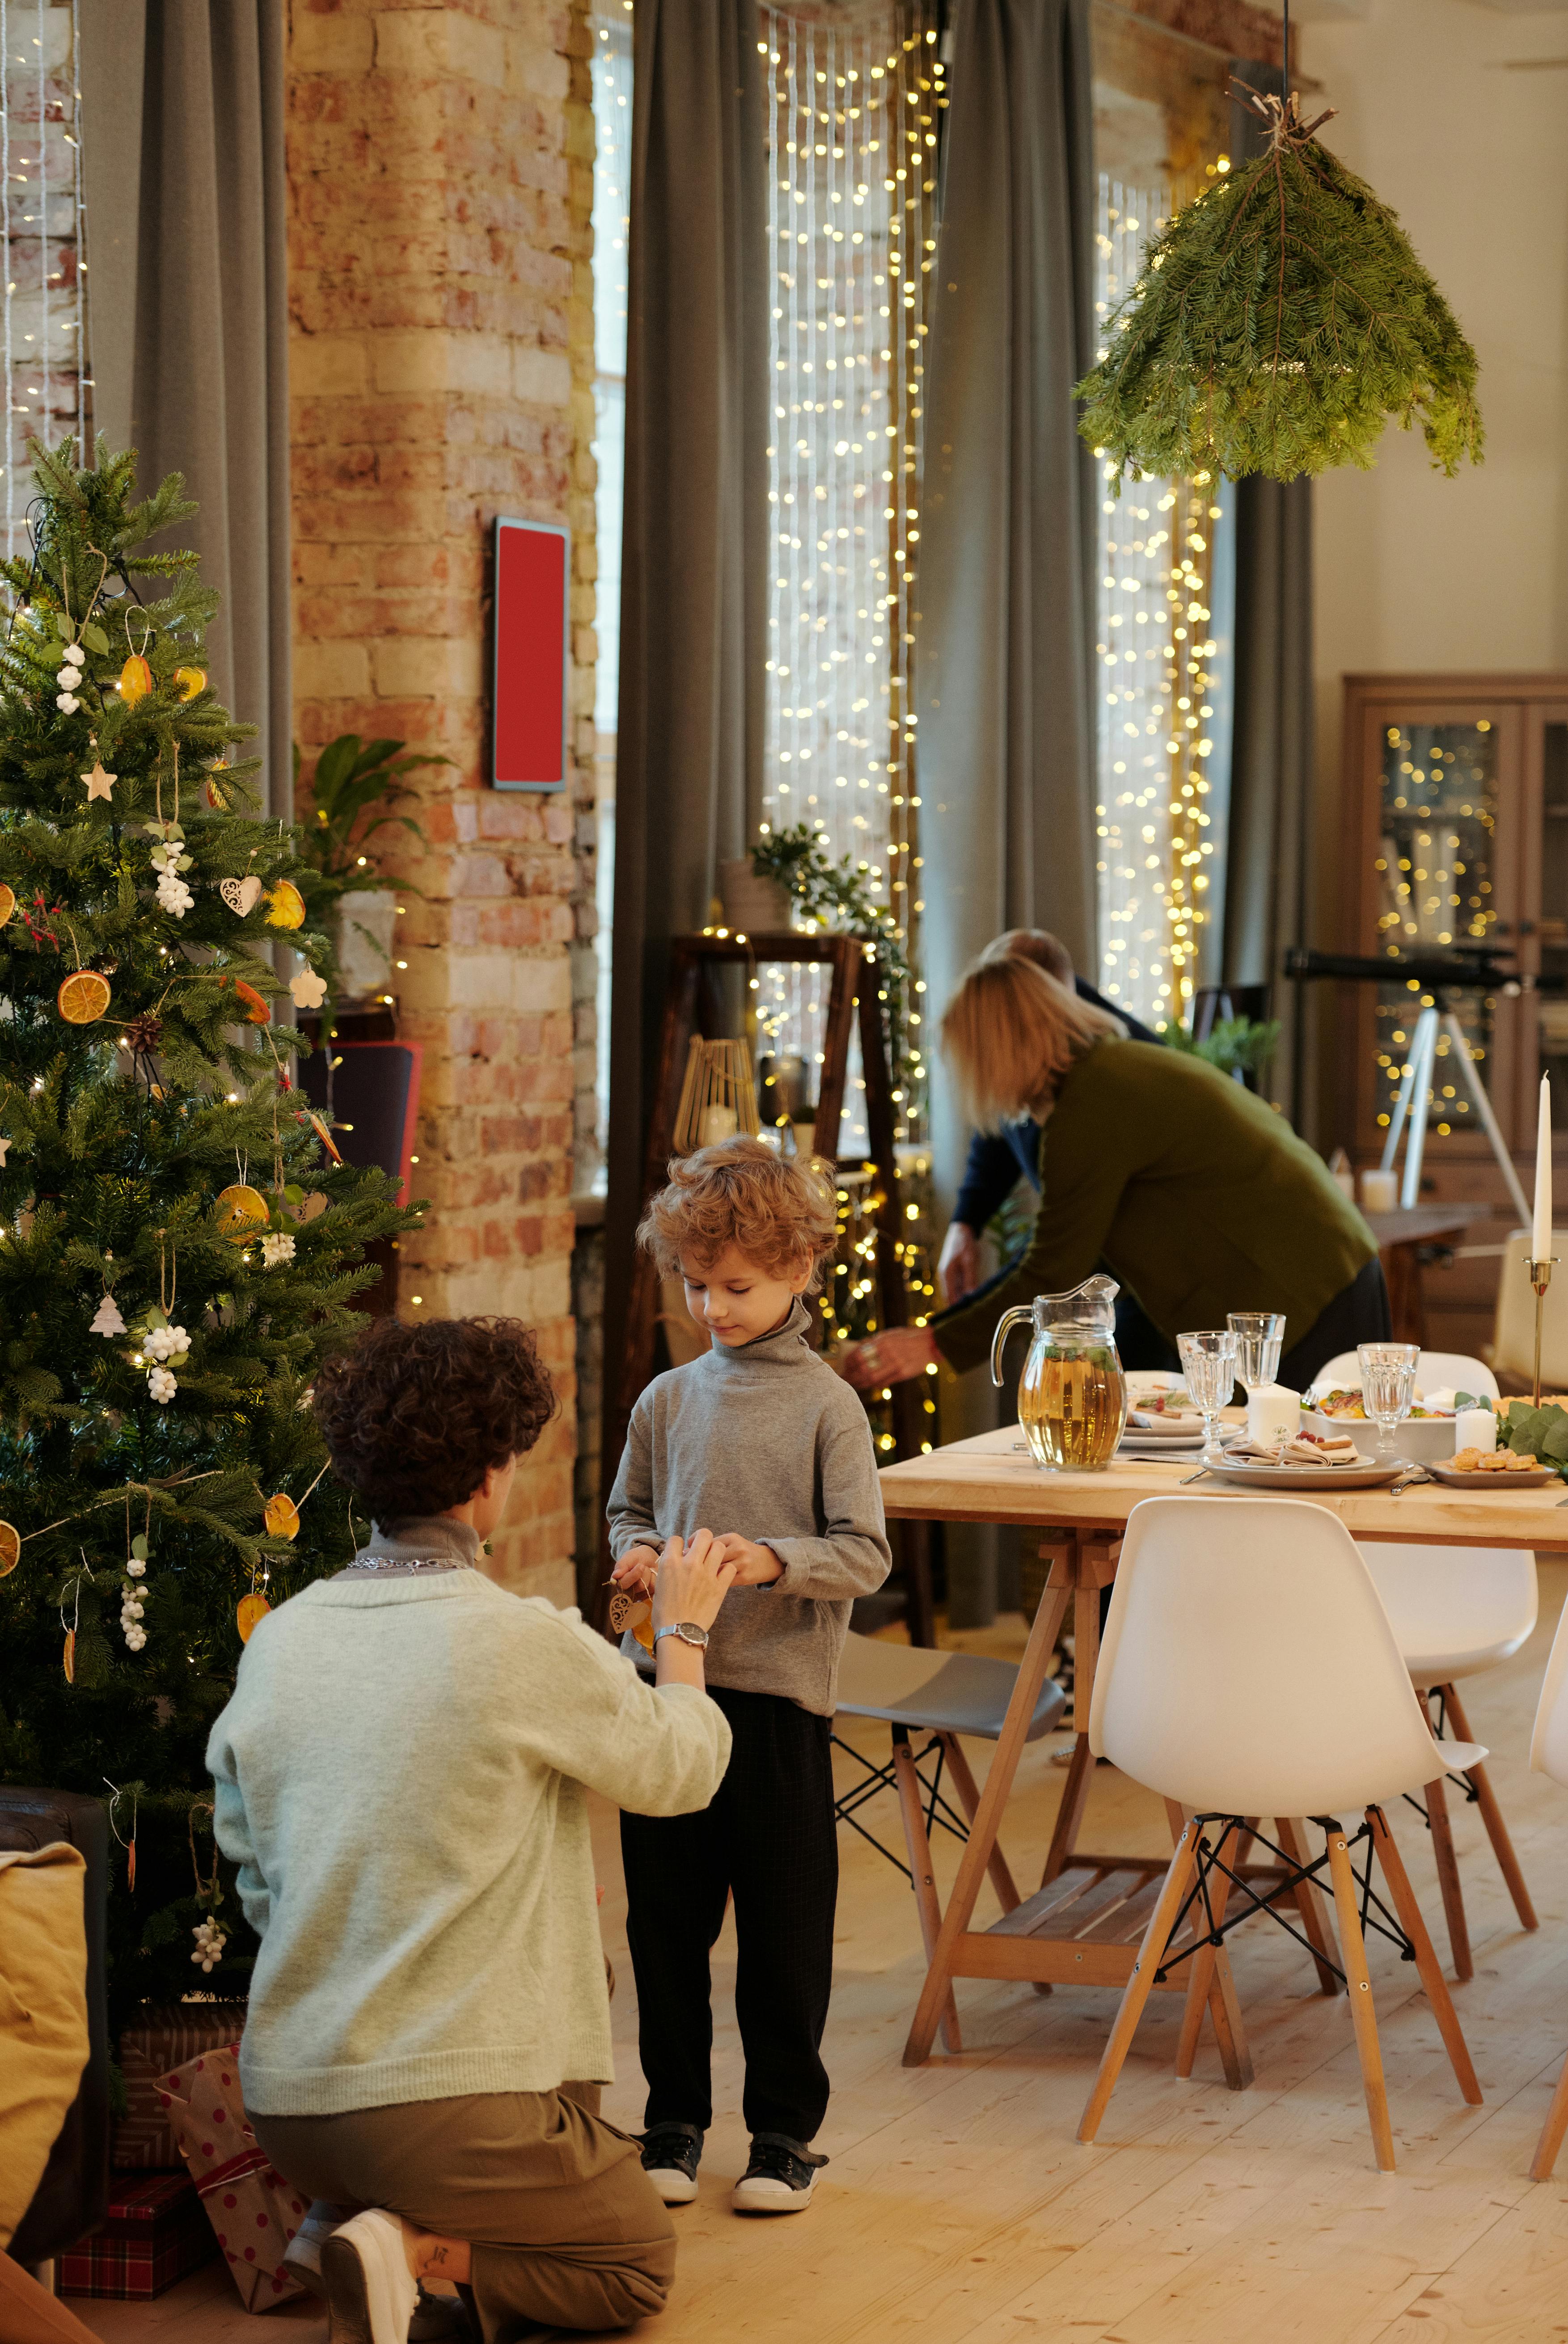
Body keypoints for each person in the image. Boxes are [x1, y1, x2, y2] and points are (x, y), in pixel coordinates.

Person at [207, 1315, 739, 2344]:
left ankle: (346, 2222)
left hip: (287, 2094)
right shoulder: (518, 1640)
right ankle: (411, 2256)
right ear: (492, 1476)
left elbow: (255, 1872)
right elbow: (683, 1768)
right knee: (630, 2264)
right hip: (449, 2108)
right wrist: (684, 1626)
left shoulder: (283, 1640)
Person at [607, 1139, 890, 2219]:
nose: (713, 1307)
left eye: (738, 1286)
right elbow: (630, 1509)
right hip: (665, 1697)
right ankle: (673, 2117)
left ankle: (783, 2133)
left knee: (784, 1926)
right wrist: (637, 1551)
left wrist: (769, 1560)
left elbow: (863, 1552)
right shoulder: (667, 1400)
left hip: (777, 1705)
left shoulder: (828, 1408)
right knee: (665, 1923)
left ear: (801, 1269)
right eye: (695, 1284)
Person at [843, 949, 1387, 1397]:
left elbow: (1053, 1270)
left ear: (999, 1049)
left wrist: (931, 1344)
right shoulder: (1107, 1076)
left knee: (1304, 1485)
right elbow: (1079, 1257)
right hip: (1317, 1277)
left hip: (1305, 1289)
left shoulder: (1093, 1103)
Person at [937, 928, 1160, 1310]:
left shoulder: (1103, 1078)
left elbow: (1059, 1253)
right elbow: (1003, 1121)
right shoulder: (1044, 1046)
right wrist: (966, 1222)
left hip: (1151, 1269)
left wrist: (937, 1339)